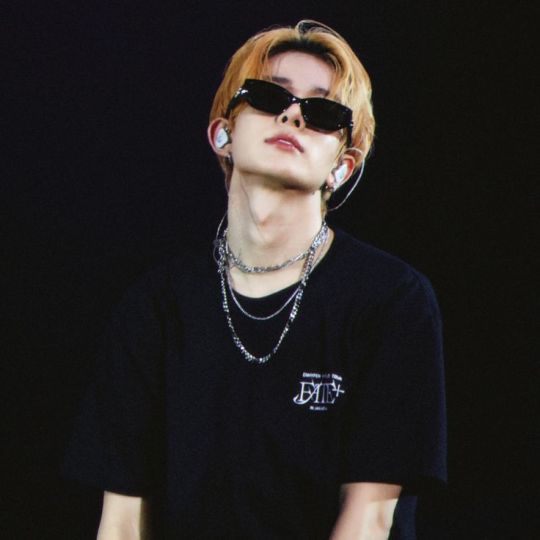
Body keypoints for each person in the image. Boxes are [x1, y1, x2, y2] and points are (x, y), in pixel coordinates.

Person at [63, 20, 446, 539]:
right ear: (222, 133)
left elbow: (369, 519)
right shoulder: (156, 306)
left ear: (343, 167)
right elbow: (122, 523)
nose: (292, 114)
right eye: (268, 96)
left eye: (323, 111)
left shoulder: (392, 300)